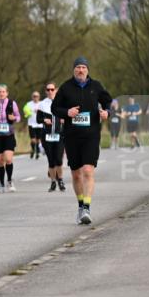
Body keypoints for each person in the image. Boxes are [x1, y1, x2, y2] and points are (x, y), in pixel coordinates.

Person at [52, 57, 112, 225]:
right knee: (76, 174)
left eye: (83, 67)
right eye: (78, 67)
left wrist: (107, 112)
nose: (80, 70)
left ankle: (86, 207)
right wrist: (67, 112)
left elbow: (108, 101)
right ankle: (80, 206)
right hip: (71, 136)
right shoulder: (65, 88)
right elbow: (54, 108)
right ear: (73, 70)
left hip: (91, 135)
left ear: (88, 70)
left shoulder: (96, 86)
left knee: (88, 171)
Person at [35, 82, 66, 192]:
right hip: (47, 136)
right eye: (48, 90)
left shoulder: (62, 103)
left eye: (52, 89)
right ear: (45, 92)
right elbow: (38, 119)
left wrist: (64, 119)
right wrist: (44, 120)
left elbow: (69, 116)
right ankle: (53, 182)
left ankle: (61, 180)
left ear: (56, 90)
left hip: (59, 135)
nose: (50, 92)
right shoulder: (42, 104)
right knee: (51, 160)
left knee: (59, 159)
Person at [24, 91, 44, 160]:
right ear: (32, 97)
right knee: (33, 140)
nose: (35, 97)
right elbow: (25, 111)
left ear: (39, 97)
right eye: (34, 96)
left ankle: (37, 152)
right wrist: (27, 112)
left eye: (37, 96)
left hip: (40, 125)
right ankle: (33, 150)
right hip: (31, 124)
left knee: (39, 140)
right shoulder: (28, 104)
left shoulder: (42, 104)